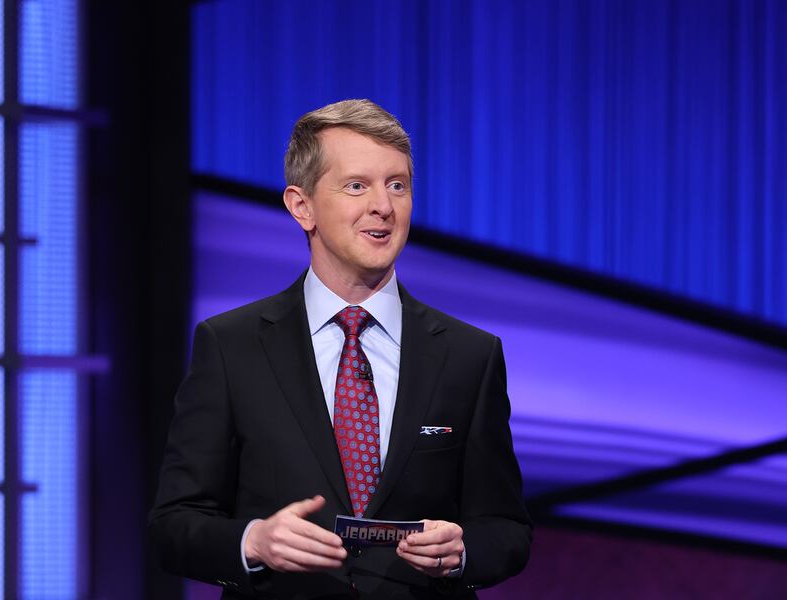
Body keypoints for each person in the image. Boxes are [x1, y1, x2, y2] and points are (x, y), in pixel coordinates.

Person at [149, 99, 532, 599]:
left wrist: (462, 552)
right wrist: (254, 541)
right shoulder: (230, 346)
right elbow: (173, 525)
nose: (384, 206)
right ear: (301, 206)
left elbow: (506, 529)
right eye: (357, 186)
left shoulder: (469, 356)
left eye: (397, 185)